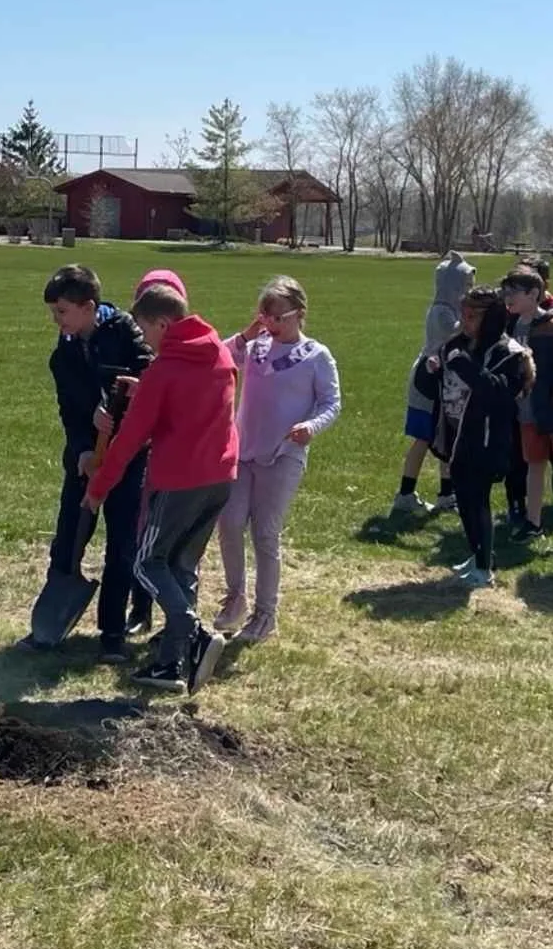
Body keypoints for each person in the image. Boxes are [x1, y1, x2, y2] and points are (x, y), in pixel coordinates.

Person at [84, 282, 238, 694]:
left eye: (145, 329)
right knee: (181, 566)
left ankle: (192, 631)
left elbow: (128, 441)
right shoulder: (219, 354)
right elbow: (194, 404)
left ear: (164, 324)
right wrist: (148, 391)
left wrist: (98, 488)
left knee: (146, 563)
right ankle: (172, 665)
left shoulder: (163, 370)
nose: (144, 339)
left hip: (178, 482)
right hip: (220, 476)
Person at [27, 263, 154, 658]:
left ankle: (112, 633)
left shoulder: (125, 332)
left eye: (62, 311)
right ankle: (49, 623)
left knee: (121, 543)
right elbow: (69, 408)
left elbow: (150, 383)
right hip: (85, 459)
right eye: (54, 312)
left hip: (128, 458)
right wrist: (83, 448)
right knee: (69, 534)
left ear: (89, 307)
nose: (57, 320)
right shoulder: (63, 355)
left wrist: (118, 410)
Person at [213, 277, 341, 645]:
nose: (270, 324)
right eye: (264, 316)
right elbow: (218, 359)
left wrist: (311, 427)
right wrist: (246, 334)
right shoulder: (256, 347)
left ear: (299, 314)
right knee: (229, 522)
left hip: (283, 454)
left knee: (265, 534)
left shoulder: (316, 356)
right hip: (244, 450)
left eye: (278, 317)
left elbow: (331, 403)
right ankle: (235, 597)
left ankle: (265, 614)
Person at [436, 287, 533, 589]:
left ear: (490, 319)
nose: (464, 322)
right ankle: (478, 554)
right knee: (463, 495)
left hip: (489, 437)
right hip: (461, 432)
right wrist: (434, 368)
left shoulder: (509, 353)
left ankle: (483, 568)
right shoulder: (466, 344)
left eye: (472, 317)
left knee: (478, 499)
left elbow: (498, 393)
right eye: (463, 315)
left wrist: (464, 366)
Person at [501, 269, 553, 541]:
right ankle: (533, 522)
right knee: (534, 465)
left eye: (513, 292)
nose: (507, 298)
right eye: (505, 292)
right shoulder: (512, 327)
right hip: (526, 411)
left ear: (534, 294)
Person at [392, 255, 475, 517]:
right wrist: (477, 315)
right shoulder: (441, 311)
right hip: (428, 381)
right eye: (467, 284)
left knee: (447, 436)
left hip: (447, 380)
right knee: (423, 438)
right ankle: (405, 494)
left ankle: (446, 494)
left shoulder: (454, 308)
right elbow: (456, 333)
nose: (470, 289)